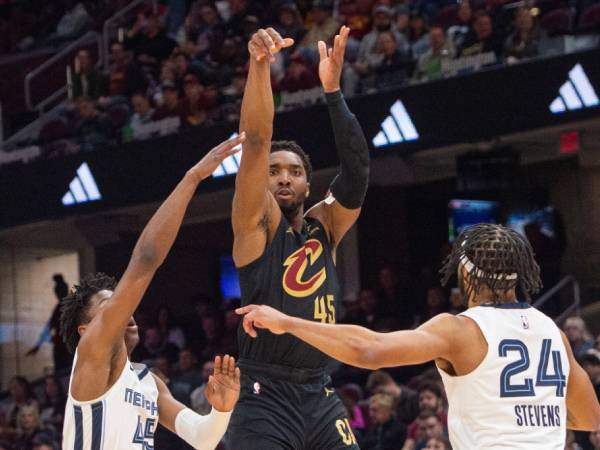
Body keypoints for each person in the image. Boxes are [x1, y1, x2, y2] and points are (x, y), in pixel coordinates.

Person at [238, 223, 600, 449]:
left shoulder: (461, 329)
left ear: (467, 274)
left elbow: (371, 349)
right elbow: (589, 418)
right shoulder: (553, 331)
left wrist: (289, 322)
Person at [228, 25, 370, 450]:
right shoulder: (254, 227)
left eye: (294, 171)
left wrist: (333, 92)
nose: (283, 178)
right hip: (264, 394)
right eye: (273, 172)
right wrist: (258, 66)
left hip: (321, 390)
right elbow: (255, 141)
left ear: (309, 186)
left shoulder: (323, 226)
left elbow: (358, 170)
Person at [59, 135, 245, 450]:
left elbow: (202, 438)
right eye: (109, 305)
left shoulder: (148, 381)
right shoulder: (90, 356)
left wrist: (221, 409)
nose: (124, 308)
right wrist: (192, 178)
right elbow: (146, 260)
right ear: (85, 329)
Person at [26, 274, 73, 372]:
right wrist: (38, 345)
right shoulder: (59, 308)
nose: (57, 294)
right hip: (61, 347)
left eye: (59, 291)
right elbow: (49, 327)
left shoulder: (69, 307)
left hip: (67, 348)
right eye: (57, 291)